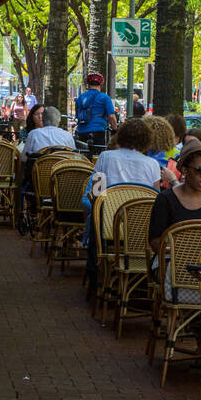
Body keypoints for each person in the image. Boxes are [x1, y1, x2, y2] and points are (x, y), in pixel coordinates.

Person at [83, 117, 162, 292]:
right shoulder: (153, 165)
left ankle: (98, 281)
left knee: (95, 219)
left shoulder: (105, 157)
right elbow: (156, 199)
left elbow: (96, 193)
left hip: (108, 227)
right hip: (139, 230)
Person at [148, 139, 201, 252]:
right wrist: (182, 251)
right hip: (172, 260)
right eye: (199, 170)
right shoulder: (166, 199)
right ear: (185, 170)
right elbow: (155, 241)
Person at [74, 73, 117, 155]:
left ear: (88, 84)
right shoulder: (104, 97)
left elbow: (77, 115)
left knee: (83, 158)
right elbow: (111, 116)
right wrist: (115, 130)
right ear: (101, 84)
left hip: (81, 132)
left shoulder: (80, 97)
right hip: (98, 132)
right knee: (97, 158)